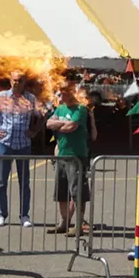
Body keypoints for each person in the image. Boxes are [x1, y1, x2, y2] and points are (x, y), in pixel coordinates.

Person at [0, 71, 39, 227]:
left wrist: (34, 131)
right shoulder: (1, 97)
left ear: (24, 82)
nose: (16, 83)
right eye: (14, 80)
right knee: (1, 182)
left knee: (24, 182)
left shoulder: (31, 99)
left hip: (23, 144)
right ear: (10, 81)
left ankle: (24, 215)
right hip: (5, 144)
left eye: (19, 81)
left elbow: (43, 115)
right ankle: (1, 214)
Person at [45, 81, 90, 235]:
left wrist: (61, 125)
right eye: (60, 92)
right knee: (61, 191)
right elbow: (49, 123)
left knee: (77, 191)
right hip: (61, 154)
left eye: (64, 92)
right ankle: (64, 223)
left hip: (76, 155)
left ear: (71, 93)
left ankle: (78, 225)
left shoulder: (81, 109)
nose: (61, 95)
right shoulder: (60, 108)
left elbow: (71, 127)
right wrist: (63, 123)